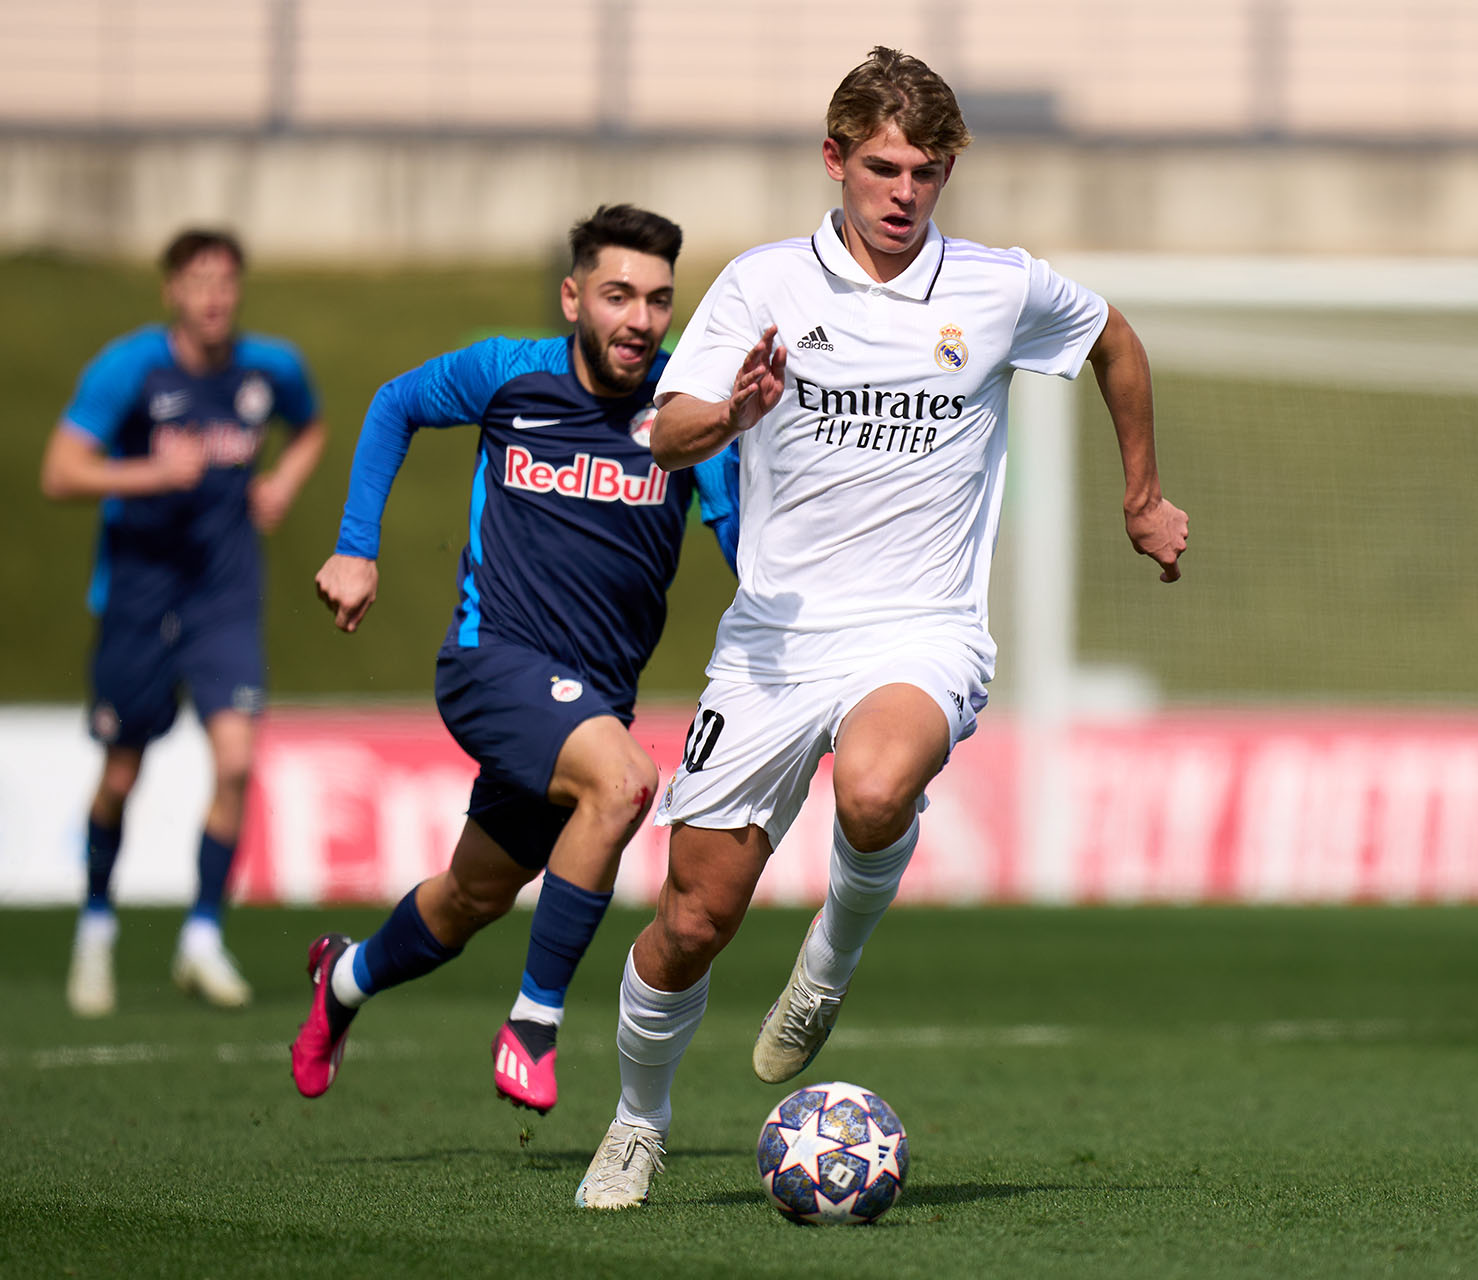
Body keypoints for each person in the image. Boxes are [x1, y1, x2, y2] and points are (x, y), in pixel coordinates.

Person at [574, 47, 1188, 1209]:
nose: (905, 192)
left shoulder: (997, 286)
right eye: (884, 167)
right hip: (774, 639)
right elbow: (663, 434)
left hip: (923, 625)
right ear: (835, 161)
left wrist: (1142, 495)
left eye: (928, 170)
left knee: (872, 787)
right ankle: (637, 1122)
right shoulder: (761, 287)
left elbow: (1115, 339)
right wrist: (737, 409)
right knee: (691, 921)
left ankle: (829, 962)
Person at [292, 205, 740, 1116]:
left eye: (658, 300)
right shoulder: (510, 374)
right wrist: (355, 545)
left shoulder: (682, 418)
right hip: (490, 660)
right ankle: (532, 1024)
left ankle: (342, 981)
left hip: (588, 700)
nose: (640, 320)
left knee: (469, 899)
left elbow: (742, 540)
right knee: (623, 784)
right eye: (618, 295)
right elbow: (395, 405)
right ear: (575, 297)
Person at [41, 228, 328, 1018]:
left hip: (224, 598)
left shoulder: (269, 369)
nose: (214, 296)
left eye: (227, 280)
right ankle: (96, 928)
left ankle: (202, 936)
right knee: (121, 776)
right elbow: (59, 472)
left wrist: (281, 483)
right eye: (199, 280)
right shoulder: (130, 369)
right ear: (171, 289)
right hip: (138, 597)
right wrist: (147, 473)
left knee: (235, 761)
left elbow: (312, 426)